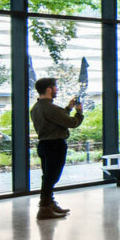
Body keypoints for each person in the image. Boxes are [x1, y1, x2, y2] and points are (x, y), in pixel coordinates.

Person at [30, 77, 83, 221]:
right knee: (51, 178)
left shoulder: (36, 108)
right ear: (49, 89)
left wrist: (68, 108)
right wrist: (78, 112)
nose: (56, 90)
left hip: (44, 145)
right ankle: (45, 208)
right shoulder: (51, 108)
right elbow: (72, 123)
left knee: (47, 177)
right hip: (55, 145)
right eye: (55, 87)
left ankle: (49, 204)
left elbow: (55, 120)